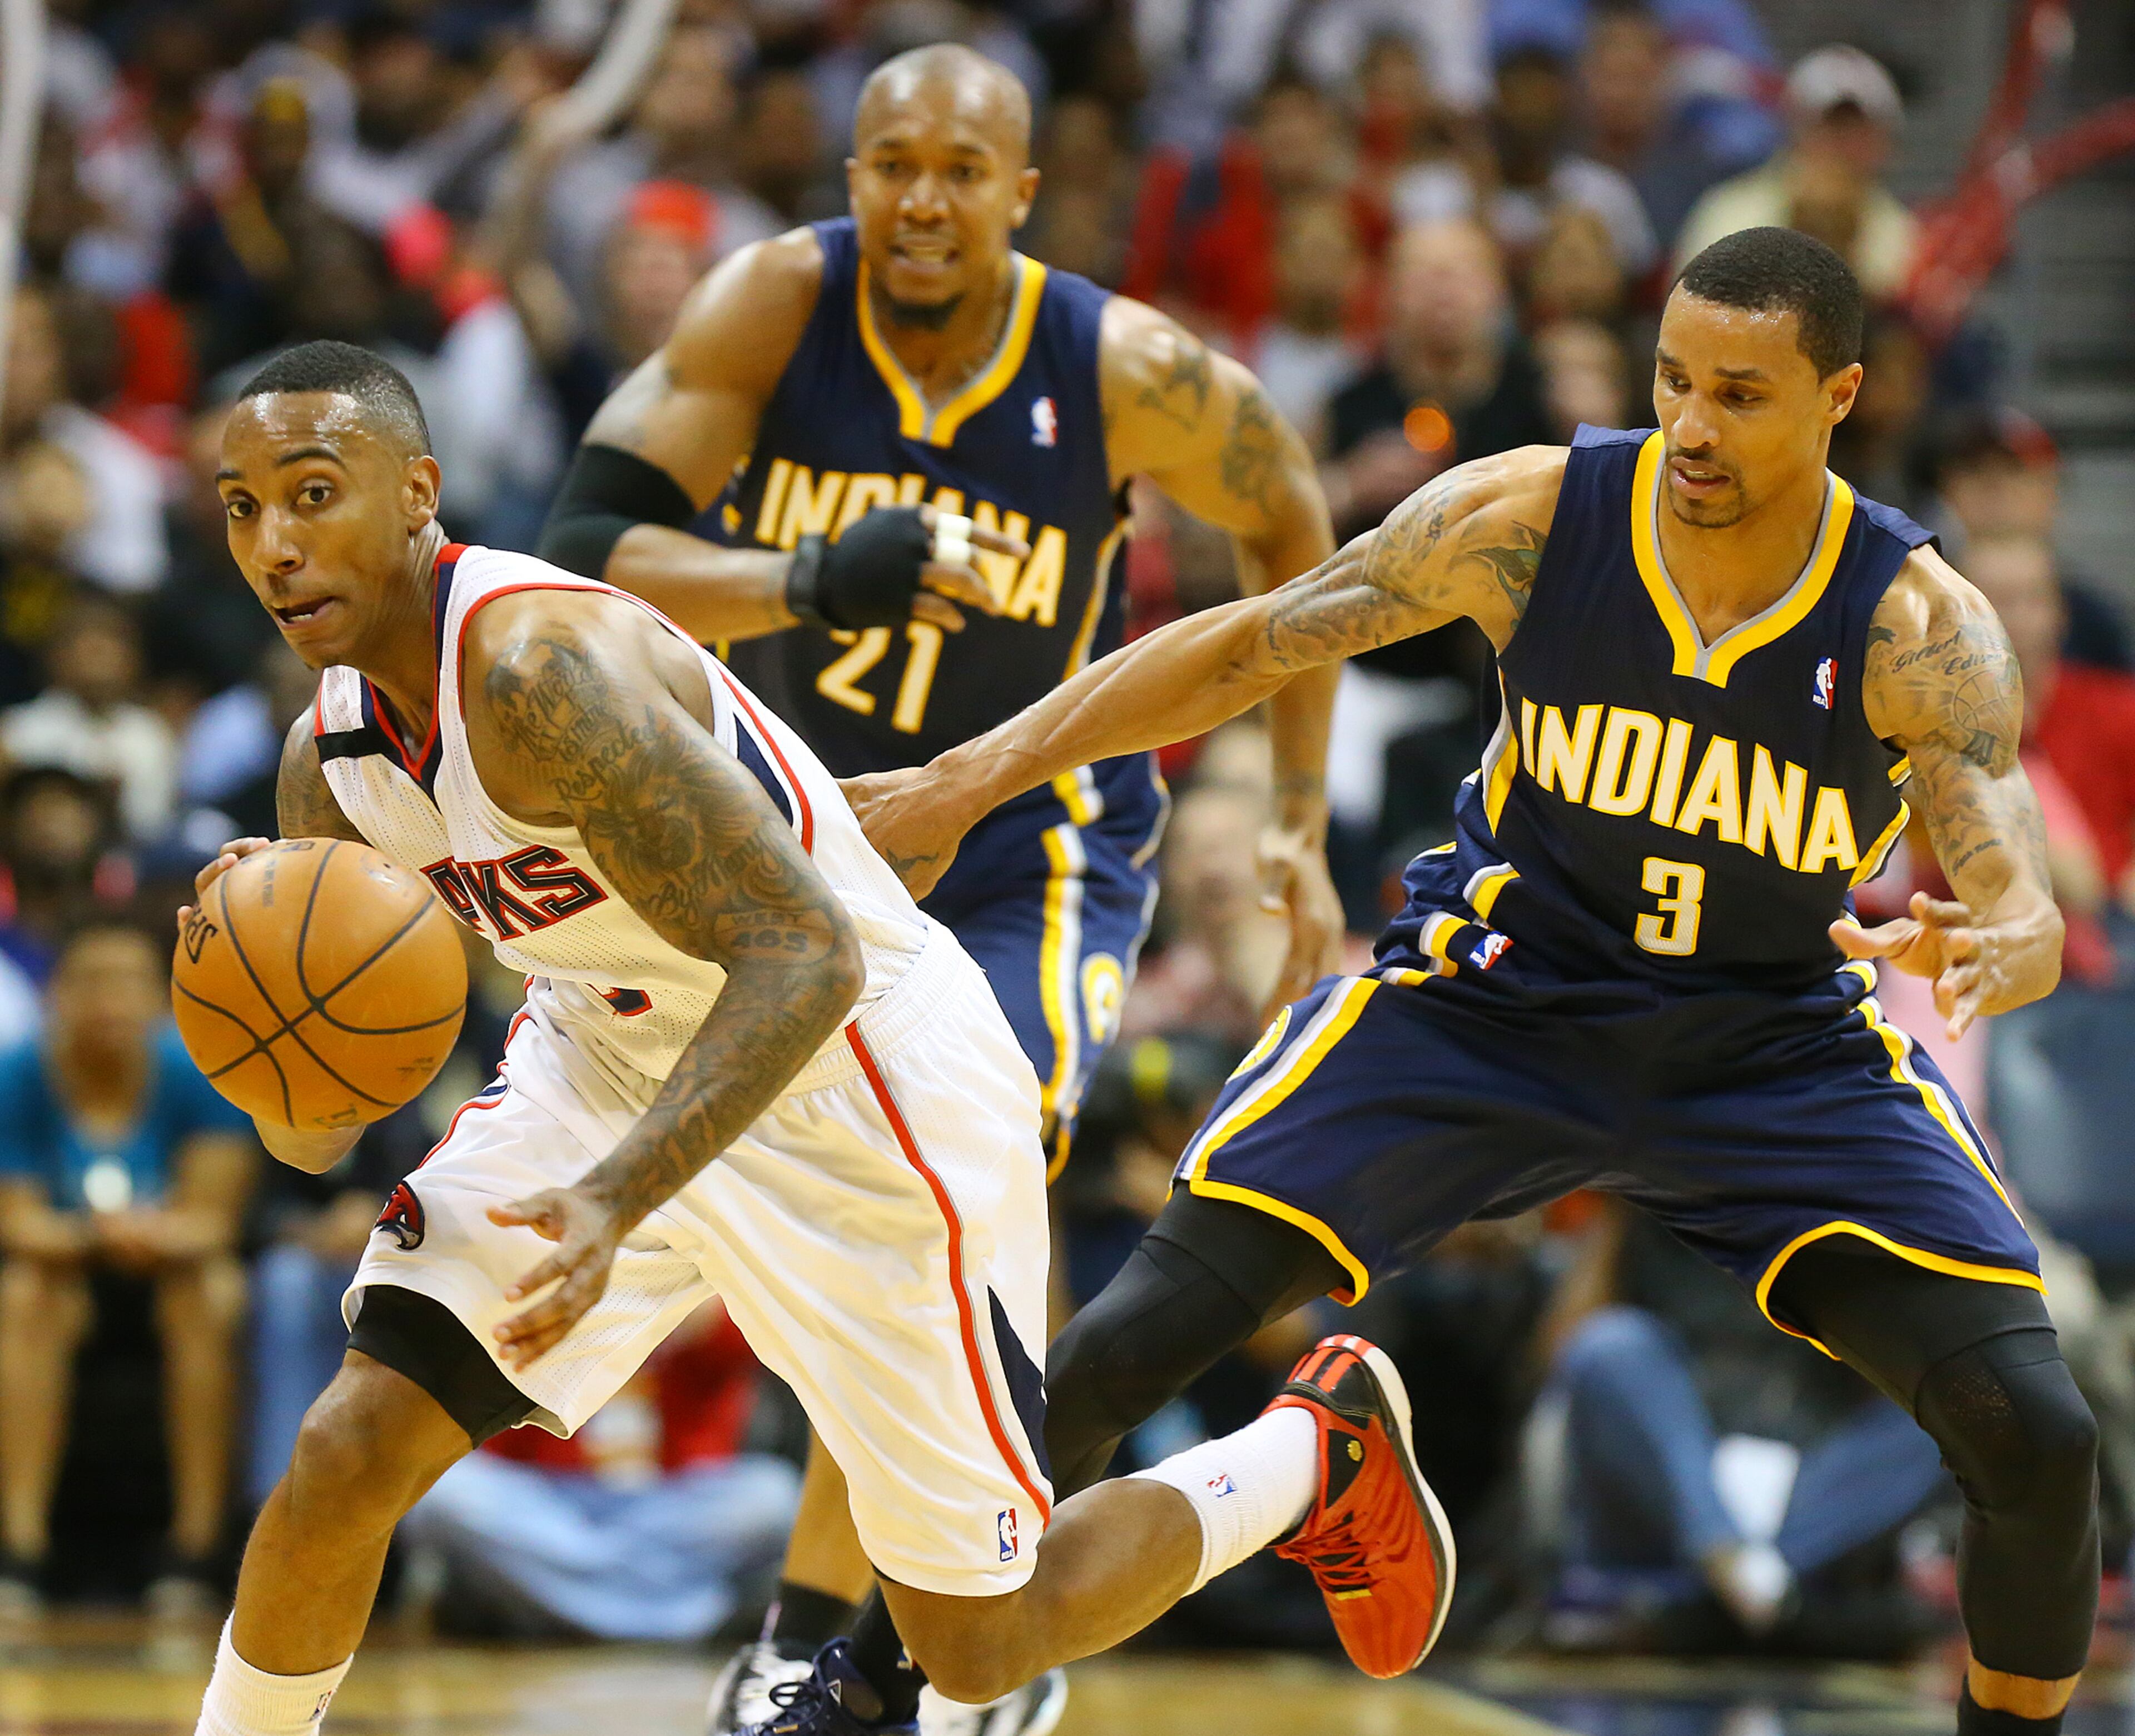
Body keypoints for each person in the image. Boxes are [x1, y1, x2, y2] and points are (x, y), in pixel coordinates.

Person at [851, 227, 2099, 1736]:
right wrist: (962, 779)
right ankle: (853, 1686)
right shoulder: (1531, 514)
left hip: (1769, 1047)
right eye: (1675, 380)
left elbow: (1997, 822)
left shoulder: (1915, 622)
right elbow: (1251, 641)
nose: (1695, 424)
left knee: (2031, 1430)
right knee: (1120, 1343)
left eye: (1744, 394)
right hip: (1495, 1000)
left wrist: (2021, 922)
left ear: (1841, 397)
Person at [187, 340, 1449, 1736]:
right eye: (241, 510)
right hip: (605, 1061)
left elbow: (803, 955)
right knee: (348, 1446)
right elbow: (313, 1136)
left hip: (856, 1082)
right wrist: (245, 1008)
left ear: (418, 490)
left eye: (313, 494)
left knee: (977, 1641)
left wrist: (620, 1194)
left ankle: (1304, 1458)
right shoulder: (332, 767)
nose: (275, 544)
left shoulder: (543, 668)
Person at [534, 46, 1343, 1731]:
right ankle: (947, 1610)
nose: (919, 197)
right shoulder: (773, 306)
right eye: (888, 160)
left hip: (1025, 843)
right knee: (852, 1227)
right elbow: (587, 548)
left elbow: (1295, 533)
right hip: (788, 841)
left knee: (960, 1189)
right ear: (849, 174)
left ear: (1021, 194)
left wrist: (1298, 804)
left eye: (958, 170)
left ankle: (840, 1638)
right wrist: (806, 576)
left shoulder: (1114, 365)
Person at [0, 919, 255, 1615]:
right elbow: (18, 1222)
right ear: (55, 996)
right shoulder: (17, 1073)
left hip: (170, 1269)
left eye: (127, 982)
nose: (107, 1000)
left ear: (160, 999)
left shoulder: (199, 1071)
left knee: (208, 1293)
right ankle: (20, 1549)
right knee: (25, 1295)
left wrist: (151, 1234)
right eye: (89, 981)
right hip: (63, 1271)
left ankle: (195, 1548)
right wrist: (96, 1234)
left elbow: (213, 1221)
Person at [1675, 46, 1918, 302]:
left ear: (1885, 142)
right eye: (1829, 127)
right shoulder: (1728, 213)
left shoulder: (1904, 232)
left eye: (1858, 130)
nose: (1841, 146)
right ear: (1794, 131)